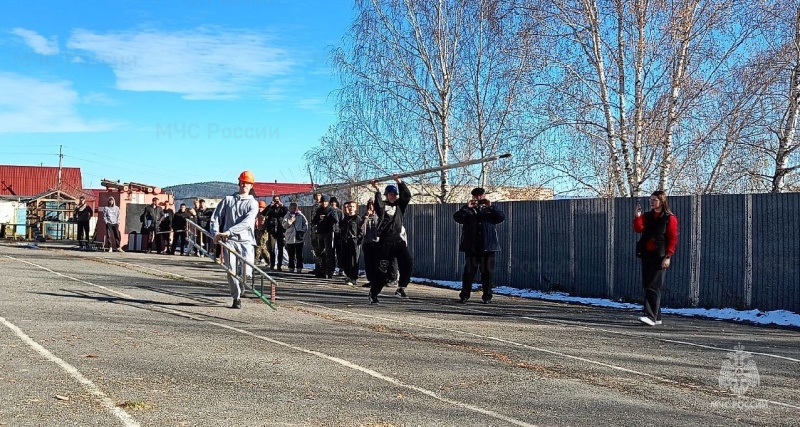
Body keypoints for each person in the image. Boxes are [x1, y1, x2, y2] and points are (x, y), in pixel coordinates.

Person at [211, 170, 260, 309]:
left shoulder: (253, 203)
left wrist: (229, 231)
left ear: (251, 186)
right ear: (239, 183)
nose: (244, 185)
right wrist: (215, 232)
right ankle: (236, 297)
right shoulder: (228, 200)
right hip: (229, 241)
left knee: (247, 271)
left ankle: (243, 284)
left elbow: (247, 222)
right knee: (231, 269)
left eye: (248, 183)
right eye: (243, 182)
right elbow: (215, 217)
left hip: (246, 241)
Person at [633, 190, 679, 326]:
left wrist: (668, 256)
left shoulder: (669, 218)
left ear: (662, 201)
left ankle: (650, 316)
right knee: (648, 284)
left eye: (655, 200)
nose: (652, 202)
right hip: (646, 253)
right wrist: (638, 216)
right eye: (650, 200)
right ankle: (657, 316)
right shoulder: (648, 216)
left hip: (660, 255)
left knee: (653, 285)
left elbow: (672, 239)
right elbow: (639, 229)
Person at [453, 187, 506, 304]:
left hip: (488, 246)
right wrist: (467, 207)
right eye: (476, 196)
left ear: (484, 195)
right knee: (469, 272)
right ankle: (464, 295)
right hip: (472, 247)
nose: (478, 198)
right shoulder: (468, 209)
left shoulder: (490, 209)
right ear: (473, 196)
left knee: (487, 273)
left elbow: (501, 217)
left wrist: (490, 207)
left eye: (480, 195)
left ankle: (487, 296)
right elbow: (457, 217)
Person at [367, 176, 412, 304]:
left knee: (407, 263)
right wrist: (377, 189)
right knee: (383, 270)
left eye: (394, 194)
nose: (392, 196)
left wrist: (399, 182)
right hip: (385, 242)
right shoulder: (383, 206)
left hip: (398, 240)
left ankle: (401, 288)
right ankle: (374, 293)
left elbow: (407, 196)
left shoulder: (400, 206)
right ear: (387, 195)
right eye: (390, 194)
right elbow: (378, 204)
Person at [318, 196, 343, 278]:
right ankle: (329, 269)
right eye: (331, 202)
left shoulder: (337, 211)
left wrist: (327, 217)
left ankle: (340, 268)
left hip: (336, 233)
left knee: (338, 252)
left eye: (333, 202)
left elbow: (338, 221)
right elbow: (314, 220)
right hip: (324, 232)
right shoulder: (320, 210)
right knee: (327, 252)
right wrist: (319, 218)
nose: (332, 204)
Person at [340, 200, 363, 286]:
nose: (351, 208)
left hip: (354, 242)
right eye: (349, 206)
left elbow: (361, 231)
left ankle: (354, 277)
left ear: (356, 208)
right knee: (346, 259)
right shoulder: (345, 218)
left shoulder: (357, 218)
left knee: (354, 260)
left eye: (353, 206)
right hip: (345, 241)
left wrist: (357, 239)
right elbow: (341, 229)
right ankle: (348, 275)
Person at [282, 202, 308, 273]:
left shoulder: (301, 215)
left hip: (298, 238)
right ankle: (291, 267)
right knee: (291, 255)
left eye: (294, 208)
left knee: (299, 254)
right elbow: (284, 226)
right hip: (290, 238)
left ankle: (299, 267)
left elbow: (306, 225)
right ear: (289, 208)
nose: (293, 210)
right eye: (292, 208)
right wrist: (290, 221)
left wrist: (302, 231)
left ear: (297, 208)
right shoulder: (287, 216)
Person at [264, 196, 288, 271]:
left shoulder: (282, 209)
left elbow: (288, 213)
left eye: (277, 200)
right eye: (275, 200)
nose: (276, 202)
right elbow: (263, 213)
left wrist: (283, 206)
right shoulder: (271, 209)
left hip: (280, 231)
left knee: (280, 249)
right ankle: (272, 264)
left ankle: (279, 265)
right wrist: (269, 206)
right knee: (272, 248)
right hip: (272, 231)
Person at [310, 196, 329, 277]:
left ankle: (324, 269)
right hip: (315, 231)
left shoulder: (329, 209)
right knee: (316, 250)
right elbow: (313, 220)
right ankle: (318, 268)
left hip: (325, 232)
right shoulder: (315, 208)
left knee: (324, 251)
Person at [308, 193, 324, 275]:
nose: (317, 197)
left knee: (321, 249)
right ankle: (317, 266)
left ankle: (322, 267)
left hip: (320, 230)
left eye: (319, 195)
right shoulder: (314, 206)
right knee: (315, 249)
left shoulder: (323, 206)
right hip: (314, 230)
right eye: (316, 195)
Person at [254, 200, 270, 265]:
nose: (260, 209)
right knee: (262, 248)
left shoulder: (265, 214)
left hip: (264, 232)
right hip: (258, 231)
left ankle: (255, 260)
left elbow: (265, 223)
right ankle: (269, 261)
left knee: (260, 246)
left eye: (261, 207)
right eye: (259, 207)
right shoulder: (257, 214)